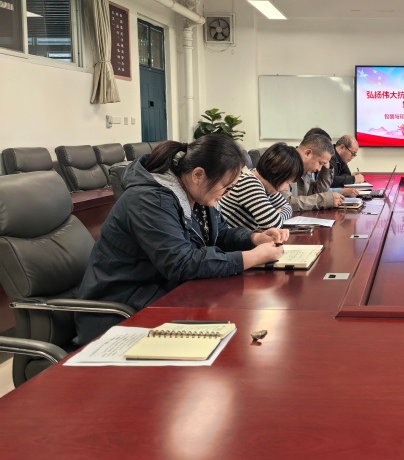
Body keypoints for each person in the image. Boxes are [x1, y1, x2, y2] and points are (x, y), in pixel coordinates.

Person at [75, 135, 285, 344]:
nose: (228, 195)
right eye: (226, 188)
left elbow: (219, 235)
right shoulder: (149, 200)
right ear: (198, 175)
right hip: (121, 310)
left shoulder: (198, 194)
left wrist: (254, 238)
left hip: (163, 294)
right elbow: (180, 263)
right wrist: (251, 258)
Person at [219, 142, 303, 232]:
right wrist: (274, 217)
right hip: (227, 239)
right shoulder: (249, 183)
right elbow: (272, 224)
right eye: (287, 182)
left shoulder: (267, 186)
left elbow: (287, 207)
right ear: (277, 174)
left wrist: (276, 216)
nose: (286, 187)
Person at [281, 133, 346, 210]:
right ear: (307, 153)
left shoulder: (304, 169)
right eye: (320, 163)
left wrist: (325, 170)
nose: (319, 169)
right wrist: (325, 200)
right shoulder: (283, 163)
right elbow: (286, 203)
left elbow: (314, 194)